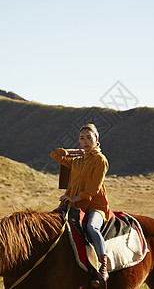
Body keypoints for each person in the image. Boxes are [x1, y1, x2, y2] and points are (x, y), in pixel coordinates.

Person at [50, 123, 110, 287]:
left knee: (91, 227)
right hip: (73, 203)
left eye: (89, 138)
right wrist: (74, 152)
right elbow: (55, 155)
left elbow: (92, 190)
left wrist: (73, 198)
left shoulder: (100, 160)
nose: (85, 141)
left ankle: (103, 267)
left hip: (94, 206)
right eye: (81, 138)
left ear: (96, 139)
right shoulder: (77, 160)